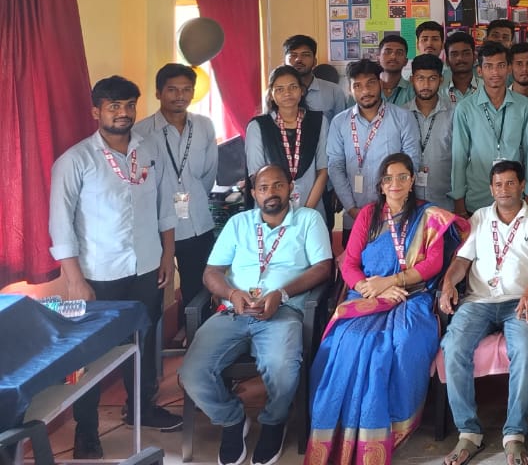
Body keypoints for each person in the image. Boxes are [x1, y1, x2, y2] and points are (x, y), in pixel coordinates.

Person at [306, 154, 469, 465]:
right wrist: (370, 287)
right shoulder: (368, 216)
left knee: (401, 342)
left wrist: (391, 282)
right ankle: (340, 429)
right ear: (380, 185)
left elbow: (433, 263)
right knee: (348, 342)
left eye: (402, 177)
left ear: (412, 182)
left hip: (414, 297)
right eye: (388, 178)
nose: (395, 184)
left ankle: (389, 428)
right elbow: (350, 262)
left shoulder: (428, 215)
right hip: (366, 295)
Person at [49, 76, 182, 457]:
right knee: (90, 354)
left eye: (128, 105)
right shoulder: (75, 161)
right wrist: (74, 279)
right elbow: (60, 224)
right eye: (113, 106)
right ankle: (86, 431)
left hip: (145, 267)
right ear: (97, 112)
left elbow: (165, 205)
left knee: (144, 341)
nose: (123, 113)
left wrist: (166, 256)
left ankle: (141, 408)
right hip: (98, 274)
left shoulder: (149, 148)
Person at [180, 163, 332, 465]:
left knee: (282, 369)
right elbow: (212, 271)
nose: (271, 193)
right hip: (233, 312)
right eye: (263, 188)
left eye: (277, 185)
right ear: (253, 193)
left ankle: (274, 423)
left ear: (290, 188)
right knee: (192, 373)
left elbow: (323, 268)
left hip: (283, 312)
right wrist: (231, 293)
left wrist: (282, 293)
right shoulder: (239, 223)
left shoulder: (309, 220)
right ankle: (232, 420)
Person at [439, 162, 528, 465]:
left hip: (520, 300)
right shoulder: (479, 218)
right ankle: (469, 433)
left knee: (524, 349)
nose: (503, 190)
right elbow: (461, 262)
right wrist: (447, 284)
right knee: (452, 348)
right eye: (498, 185)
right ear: (490, 188)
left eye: (510, 184)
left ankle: (514, 435)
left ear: (522, 185)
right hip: (478, 302)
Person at [133, 62, 218, 312]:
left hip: (198, 223)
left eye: (186, 89)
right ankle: (155, 348)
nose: (180, 96)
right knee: (156, 292)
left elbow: (208, 174)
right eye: (172, 90)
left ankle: (197, 344)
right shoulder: (141, 133)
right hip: (157, 229)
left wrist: (192, 196)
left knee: (200, 292)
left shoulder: (204, 126)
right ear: (158, 93)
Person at [326, 60, 419, 240]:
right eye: (358, 86)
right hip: (353, 218)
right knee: (353, 265)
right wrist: (352, 209)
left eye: (371, 83)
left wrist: (392, 206)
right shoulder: (339, 122)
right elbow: (335, 166)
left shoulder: (402, 117)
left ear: (381, 84)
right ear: (350, 89)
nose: (366, 91)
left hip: (396, 215)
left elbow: (411, 161)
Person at [450, 41, 528, 216]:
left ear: (508, 69)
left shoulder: (523, 106)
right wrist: (458, 201)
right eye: (489, 66)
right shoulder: (465, 107)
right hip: (477, 197)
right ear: (480, 71)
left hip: (515, 197)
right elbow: (459, 155)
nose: (495, 72)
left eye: (500, 66)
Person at [245, 65, 329, 211]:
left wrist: (306, 212)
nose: (287, 93)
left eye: (293, 87)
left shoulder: (319, 121)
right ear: (271, 94)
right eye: (279, 89)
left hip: (312, 206)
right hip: (271, 209)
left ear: (302, 90)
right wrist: (278, 213)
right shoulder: (258, 126)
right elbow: (257, 175)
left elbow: (323, 170)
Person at [408, 53, 453, 208]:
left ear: (441, 80)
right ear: (411, 79)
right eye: (420, 78)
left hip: (445, 200)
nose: (426, 84)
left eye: (432, 78)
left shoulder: (455, 113)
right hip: (408, 202)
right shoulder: (401, 115)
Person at [284, 35, 350, 120]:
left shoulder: (334, 91)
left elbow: (341, 127)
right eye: (293, 55)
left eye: (305, 55)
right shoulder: (276, 93)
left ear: (315, 61)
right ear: (285, 62)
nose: (298, 59)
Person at [444, 31, 481, 104]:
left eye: (466, 53)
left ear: (474, 57)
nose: (460, 58)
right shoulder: (440, 90)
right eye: (454, 54)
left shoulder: (486, 88)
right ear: (447, 61)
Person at [377, 35, 413, 106]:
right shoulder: (368, 89)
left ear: (405, 61)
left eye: (399, 53)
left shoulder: (413, 91)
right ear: (378, 59)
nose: (393, 56)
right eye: (387, 52)